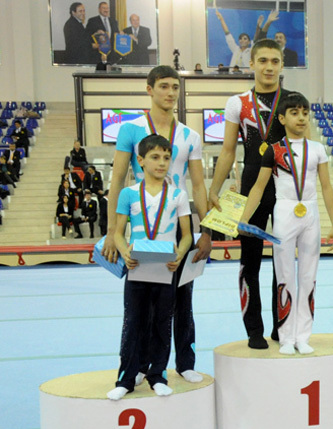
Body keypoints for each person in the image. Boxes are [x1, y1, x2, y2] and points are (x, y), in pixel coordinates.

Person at [102, 65, 211, 383]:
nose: (170, 93)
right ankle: (137, 365)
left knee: (182, 297)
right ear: (149, 89)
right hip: (143, 223)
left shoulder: (190, 136)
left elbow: (199, 186)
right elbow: (118, 178)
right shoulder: (131, 129)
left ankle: (185, 361)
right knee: (141, 300)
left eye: (175, 87)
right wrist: (113, 232)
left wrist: (205, 231)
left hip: (179, 221)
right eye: (164, 86)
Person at [239, 92, 333, 355]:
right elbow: (259, 188)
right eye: (295, 113)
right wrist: (244, 218)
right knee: (284, 275)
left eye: (305, 112)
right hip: (283, 210)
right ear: (282, 118)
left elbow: (327, 188)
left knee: (309, 276)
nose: (301, 117)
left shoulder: (318, 149)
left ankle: (303, 335)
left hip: (311, 212)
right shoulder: (273, 150)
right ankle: (285, 336)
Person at [208, 38, 290, 350]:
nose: (269, 67)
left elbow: (303, 151)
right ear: (252, 63)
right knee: (251, 260)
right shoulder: (237, 103)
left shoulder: (292, 100)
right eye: (264, 61)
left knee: (283, 261)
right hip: (251, 185)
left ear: (281, 65)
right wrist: (215, 190)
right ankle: (254, 329)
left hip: (285, 188)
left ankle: (282, 325)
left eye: (275, 61)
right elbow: (228, 151)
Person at [107, 134, 193, 401]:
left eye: (167, 158)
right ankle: (126, 378)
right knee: (133, 322)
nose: (162, 163)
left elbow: (187, 234)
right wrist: (124, 250)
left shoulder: (178, 195)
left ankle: (158, 375)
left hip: (165, 268)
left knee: (161, 323)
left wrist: (179, 255)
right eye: (155, 157)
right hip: (138, 267)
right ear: (140, 160)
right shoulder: (128, 194)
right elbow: (119, 233)